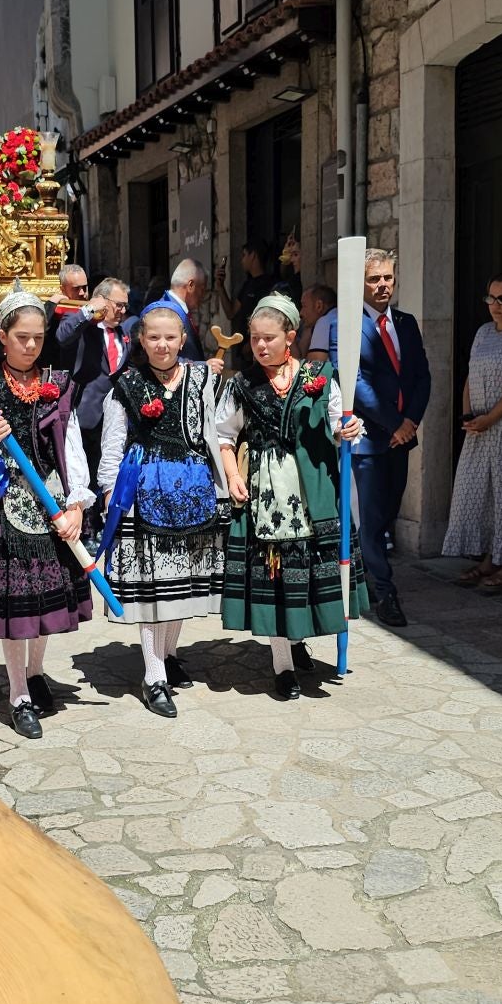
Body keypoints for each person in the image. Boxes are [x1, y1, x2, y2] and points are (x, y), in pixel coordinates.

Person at [216, 293, 366, 699]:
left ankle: (298, 639)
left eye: (269, 338)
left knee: (310, 575)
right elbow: (224, 436)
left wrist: (348, 431)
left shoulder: (320, 377)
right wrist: (232, 476)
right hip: (267, 495)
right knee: (276, 576)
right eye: (254, 338)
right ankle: (282, 666)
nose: (260, 346)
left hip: (314, 488)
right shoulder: (242, 384)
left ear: (291, 336)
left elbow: (339, 426)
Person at [0, 291, 93, 738]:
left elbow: (72, 446)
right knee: (15, 609)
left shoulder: (58, 383)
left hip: (53, 506)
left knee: (43, 603)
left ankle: (37, 673)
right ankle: (18, 692)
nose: (31, 346)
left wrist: (76, 502)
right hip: (7, 509)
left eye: (38, 337)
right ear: (2, 337)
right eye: (21, 337)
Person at [98, 299, 228, 719]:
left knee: (179, 583)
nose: (162, 344)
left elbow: (214, 432)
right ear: (141, 338)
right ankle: (153, 675)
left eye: (170, 337)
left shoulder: (201, 379)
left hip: (191, 491)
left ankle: (168, 656)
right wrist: (108, 492)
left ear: (183, 339)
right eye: (153, 336)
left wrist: (223, 485)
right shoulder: (126, 386)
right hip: (143, 490)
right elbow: (113, 445)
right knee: (153, 590)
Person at [442, 271, 502, 593]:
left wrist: (492, 417)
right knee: (480, 490)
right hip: (480, 426)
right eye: (490, 299)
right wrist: (470, 414)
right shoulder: (483, 332)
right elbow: (471, 374)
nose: (495, 306)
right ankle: (488, 557)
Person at [352, 247, 431, 628]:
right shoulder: (348, 325)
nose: (383, 285)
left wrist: (411, 421)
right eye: (374, 278)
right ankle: (385, 592)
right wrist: (393, 422)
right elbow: (355, 383)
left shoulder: (406, 322)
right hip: (370, 441)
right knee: (370, 520)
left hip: (402, 438)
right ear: (360, 283)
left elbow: (421, 376)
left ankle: (368, 575)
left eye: (387, 277)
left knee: (386, 517)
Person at [52, 275, 131, 487]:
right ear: (102, 301)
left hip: (114, 420)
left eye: (125, 306)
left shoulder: (124, 333)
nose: (123, 311)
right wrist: (88, 310)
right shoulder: (82, 326)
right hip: (85, 418)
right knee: (83, 482)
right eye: (119, 305)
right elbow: (62, 336)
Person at [215, 241, 275, 340]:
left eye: (244, 255)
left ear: (253, 256)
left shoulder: (270, 285)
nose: (242, 260)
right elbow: (230, 313)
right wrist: (220, 287)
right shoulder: (247, 284)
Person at [166, 259, 214, 366]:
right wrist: (202, 366)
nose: (203, 296)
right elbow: (162, 357)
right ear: (191, 285)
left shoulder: (177, 309)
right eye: (202, 289)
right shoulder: (166, 313)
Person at [44, 263, 89, 365]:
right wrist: (51, 304)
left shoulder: (92, 308)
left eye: (84, 287)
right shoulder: (54, 311)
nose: (82, 293)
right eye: (76, 288)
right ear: (62, 289)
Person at [303, 285, 337, 368]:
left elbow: (314, 368)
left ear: (319, 306)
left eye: (304, 306)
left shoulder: (325, 321)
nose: (301, 313)